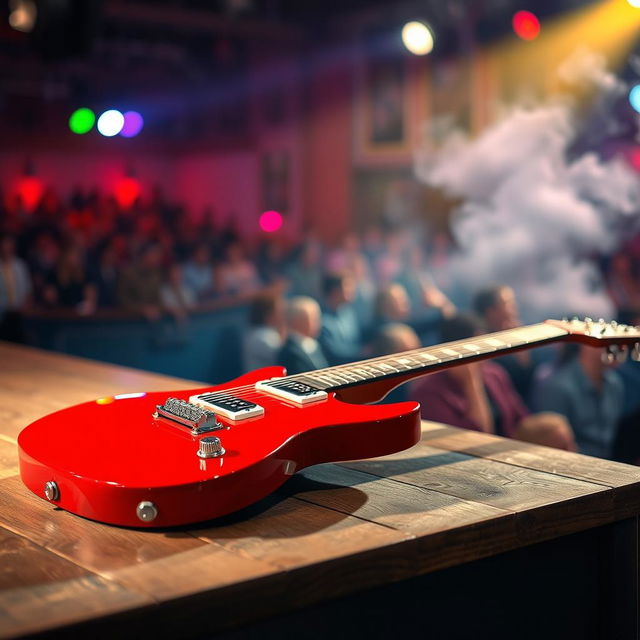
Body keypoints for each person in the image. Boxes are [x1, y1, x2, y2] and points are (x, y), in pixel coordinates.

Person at [409, 314, 575, 450]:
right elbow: (475, 439)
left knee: (556, 428)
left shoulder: (494, 374)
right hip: (473, 461)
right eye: (478, 350)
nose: (484, 358)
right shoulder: (428, 392)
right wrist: (471, 383)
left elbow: (521, 419)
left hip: (509, 450)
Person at [533, 343, 624, 459]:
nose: (621, 348)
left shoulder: (614, 383)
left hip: (607, 462)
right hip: (572, 465)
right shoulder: (557, 387)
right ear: (587, 345)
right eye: (608, 342)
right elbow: (552, 447)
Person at [473, 285, 536, 404]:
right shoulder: (481, 345)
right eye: (508, 303)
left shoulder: (515, 336)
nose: (515, 308)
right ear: (491, 311)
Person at [319, 271, 362, 366]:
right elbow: (333, 354)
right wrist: (361, 352)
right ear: (334, 291)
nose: (352, 290)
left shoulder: (348, 313)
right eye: (347, 286)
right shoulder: (321, 320)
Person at [278, 296, 328, 374]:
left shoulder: (313, 344)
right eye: (313, 319)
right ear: (297, 321)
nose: (318, 323)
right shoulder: (289, 353)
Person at [0, 233, 32, 341]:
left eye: (10, 243)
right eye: (4, 243)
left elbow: (28, 290)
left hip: (19, 314)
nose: (7, 246)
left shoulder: (20, 265)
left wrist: (26, 306)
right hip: (2, 313)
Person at [243, 292, 285, 372]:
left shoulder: (270, 333)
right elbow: (284, 356)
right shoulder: (260, 337)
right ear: (268, 315)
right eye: (278, 311)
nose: (282, 315)